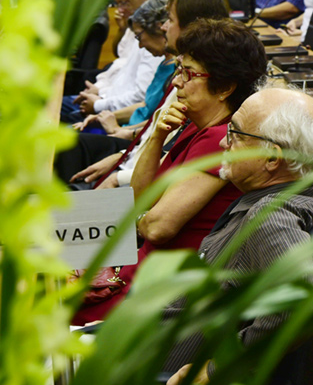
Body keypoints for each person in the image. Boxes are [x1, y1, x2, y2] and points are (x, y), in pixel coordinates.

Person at [72, 19, 268, 325]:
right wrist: (156, 136)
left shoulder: (221, 140)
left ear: (225, 87)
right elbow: (138, 197)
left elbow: (157, 227)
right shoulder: (196, 126)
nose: (176, 82)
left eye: (188, 73)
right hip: (136, 268)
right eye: (178, 69)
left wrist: (121, 226)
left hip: (156, 296)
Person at [163, 88, 313, 385]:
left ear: (272, 157)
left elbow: (301, 306)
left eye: (236, 135)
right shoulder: (311, 189)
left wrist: (217, 370)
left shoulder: (270, 216)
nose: (222, 142)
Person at [64, 0, 232, 189]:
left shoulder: (199, 92)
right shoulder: (180, 72)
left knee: (70, 154)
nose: (163, 26)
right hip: (135, 155)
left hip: (140, 170)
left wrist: (120, 174)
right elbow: (153, 129)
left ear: (191, 27)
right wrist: (121, 155)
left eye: (169, 19)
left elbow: (169, 155)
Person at [63, 0, 170, 122]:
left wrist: (99, 105)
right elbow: (120, 67)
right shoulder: (139, 20)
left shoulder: (155, 30)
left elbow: (141, 98)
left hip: (114, 113)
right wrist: (98, 90)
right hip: (107, 100)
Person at [73, 0, 174, 138]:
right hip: (126, 127)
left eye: (139, 37)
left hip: (132, 135)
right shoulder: (164, 62)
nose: (140, 46)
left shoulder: (176, 70)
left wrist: (121, 131)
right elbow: (145, 106)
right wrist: (104, 117)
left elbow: (157, 122)